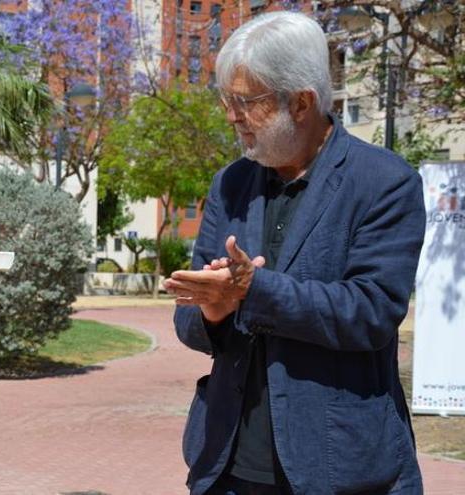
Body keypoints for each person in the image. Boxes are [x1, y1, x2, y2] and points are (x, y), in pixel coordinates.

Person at [164, 11, 425, 495]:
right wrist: (214, 310)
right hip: (229, 466)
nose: (231, 116)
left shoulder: (385, 182)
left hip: (338, 466)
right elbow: (191, 320)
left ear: (302, 102)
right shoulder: (231, 183)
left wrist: (254, 290)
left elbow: (371, 312)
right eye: (227, 99)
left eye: (246, 101)